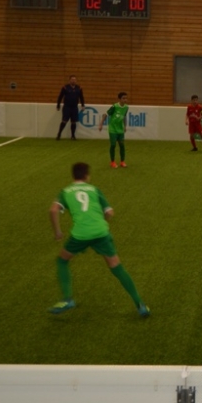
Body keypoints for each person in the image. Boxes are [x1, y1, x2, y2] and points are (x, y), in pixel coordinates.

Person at [48, 162, 149, 317]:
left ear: (73, 176)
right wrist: (101, 223)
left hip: (80, 235)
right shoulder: (94, 189)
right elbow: (110, 213)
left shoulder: (66, 191)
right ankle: (140, 304)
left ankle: (67, 298)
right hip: (101, 233)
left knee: (62, 261)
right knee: (116, 267)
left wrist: (58, 232)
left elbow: (53, 210)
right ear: (87, 176)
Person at [98, 91, 130, 168]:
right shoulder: (114, 106)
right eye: (123, 98)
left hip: (120, 129)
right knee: (113, 145)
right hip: (113, 129)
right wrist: (101, 124)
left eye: (126, 98)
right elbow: (105, 114)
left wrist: (125, 126)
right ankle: (112, 162)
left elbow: (124, 116)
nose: (125, 100)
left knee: (122, 145)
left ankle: (122, 162)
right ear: (119, 99)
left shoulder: (126, 107)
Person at [56, 75, 85, 140]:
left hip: (74, 107)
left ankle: (73, 136)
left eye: (74, 80)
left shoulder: (79, 88)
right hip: (67, 107)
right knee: (64, 121)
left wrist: (83, 105)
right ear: (69, 80)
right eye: (72, 79)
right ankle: (59, 134)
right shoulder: (65, 87)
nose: (73, 81)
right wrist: (58, 105)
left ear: (76, 80)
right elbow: (60, 97)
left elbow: (81, 97)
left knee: (73, 122)